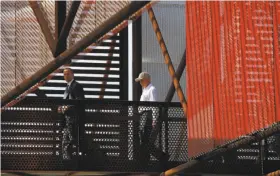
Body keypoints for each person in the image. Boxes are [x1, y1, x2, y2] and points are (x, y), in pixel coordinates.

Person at [58, 68, 85, 161]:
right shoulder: (68, 87)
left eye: (68, 74)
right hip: (68, 119)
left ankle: (71, 162)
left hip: (74, 120)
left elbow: (79, 102)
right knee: (66, 142)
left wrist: (67, 107)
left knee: (71, 141)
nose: (66, 76)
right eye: (64, 74)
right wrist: (62, 108)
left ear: (73, 74)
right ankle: (68, 161)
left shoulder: (76, 86)